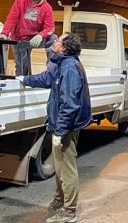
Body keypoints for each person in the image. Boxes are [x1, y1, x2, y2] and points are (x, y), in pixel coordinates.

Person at [22, 32, 92, 223]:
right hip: (63, 126)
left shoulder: (69, 68)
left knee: (66, 169)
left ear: (65, 47)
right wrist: (24, 80)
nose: (54, 42)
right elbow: (46, 79)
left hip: (66, 128)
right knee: (60, 168)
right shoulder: (63, 63)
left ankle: (69, 211)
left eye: (59, 41)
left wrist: (60, 132)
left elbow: (69, 105)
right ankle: (60, 200)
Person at [0, 0, 57, 76]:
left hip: (34, 38)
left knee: (53, 39)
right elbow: (12, 17)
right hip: (19, 38)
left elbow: (50, 27)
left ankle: (52, 72)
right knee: (22, 67)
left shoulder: (47, 8)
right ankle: (21, 85)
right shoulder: (21, 0)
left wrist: (41, 35)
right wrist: (4, 33)